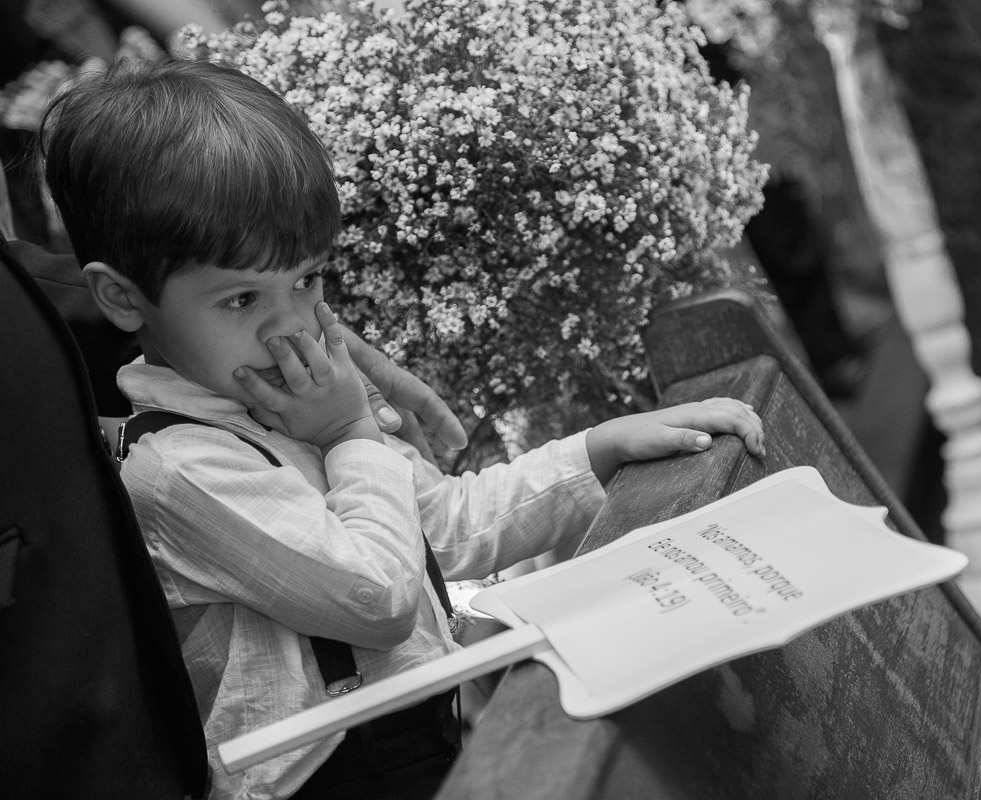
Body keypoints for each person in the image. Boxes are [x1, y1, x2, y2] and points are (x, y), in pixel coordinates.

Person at [40, 58, 765, 800]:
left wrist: (598, 451)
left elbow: (446, 529)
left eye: (307, 280)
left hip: (421, 739)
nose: (290, 325)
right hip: (323, 779)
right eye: (240, 300)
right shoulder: (181, 468)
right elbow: (375, 599)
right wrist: (350, 432)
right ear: (123, 299)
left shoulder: (298, 401)